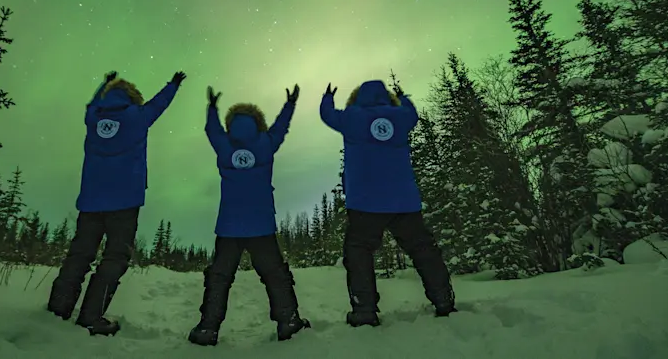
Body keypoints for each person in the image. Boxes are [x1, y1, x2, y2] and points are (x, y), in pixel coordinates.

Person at [47, 70, 187, 336]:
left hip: (90, 201)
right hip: (124, 202)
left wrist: (103, 84)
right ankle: (91, 316)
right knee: (114, 257)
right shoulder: (137, 117)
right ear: (133, 97)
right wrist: (173, 84)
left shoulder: (93, 117)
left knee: (79, 255)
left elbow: (91, 104)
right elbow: (160, 104)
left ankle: (58, 310)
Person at [319, 79, 456, 327]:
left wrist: (327, 98)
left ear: (357, 97)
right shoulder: (401, 117)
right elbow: (412, 113)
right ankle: (443, 300)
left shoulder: (352, 118)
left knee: (359, 252)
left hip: (365, 202)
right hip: (404, 201)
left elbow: (327, 115)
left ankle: (364, 311)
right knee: (423, 249)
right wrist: (403, 97)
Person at [188, 85, 311, 346]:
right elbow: (281, 128)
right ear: (258, 122)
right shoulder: (266, 143)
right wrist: (290, 104)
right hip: (261, 225)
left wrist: (211, 109)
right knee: (275, 275)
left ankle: (207, 329)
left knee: (219, 278)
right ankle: (288, 322)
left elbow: (211, 130)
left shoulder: (224, 145)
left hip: (229, 226)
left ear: (230, 124)